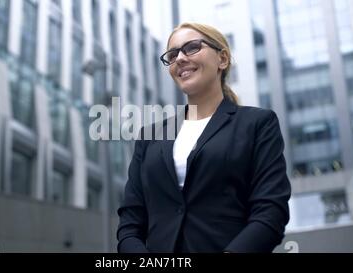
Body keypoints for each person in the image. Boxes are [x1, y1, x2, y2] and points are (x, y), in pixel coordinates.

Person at [116, 22, 291, 253]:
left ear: (223, 59)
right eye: (172, 54)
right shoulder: (150, 137)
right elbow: (130, 224)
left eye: (191, 48)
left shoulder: (257, 124)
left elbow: (271, 212)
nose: (179, 58)